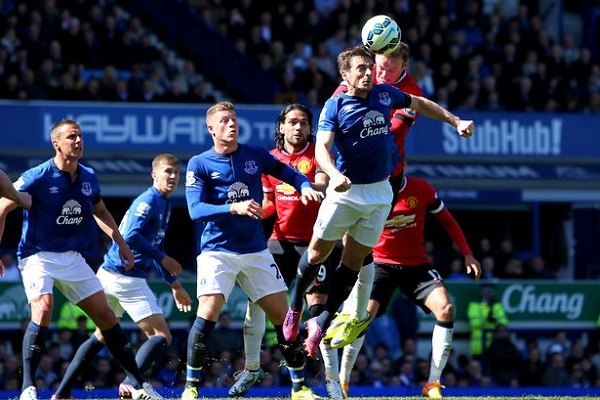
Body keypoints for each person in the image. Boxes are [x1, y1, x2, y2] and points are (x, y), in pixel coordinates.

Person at [283, 46, 475, 358]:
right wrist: (333, 174)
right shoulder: (334, 105)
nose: (367, 73)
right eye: (359, 68)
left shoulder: (385, 94)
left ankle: (322, 320)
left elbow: (420, 103)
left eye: (369, 68)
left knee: (353, 263)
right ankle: (295, 307)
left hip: (379, 194)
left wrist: (454, 121)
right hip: (346, 192)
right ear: (345, 75)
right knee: (317, 253)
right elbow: (322, 149)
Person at [0, 119, 163, 400]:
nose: (78, 141)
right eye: (72, 137)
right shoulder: (38, 176)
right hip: (37, 254)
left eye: (80, 137)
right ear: (56, 144)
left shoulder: (89, 177)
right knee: (44, 307)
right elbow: (3, 205)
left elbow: (100, 210)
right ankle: (29, 388)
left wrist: (120, 242)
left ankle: (137, 384)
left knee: (106, 317)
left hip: (72, 257)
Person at [182, 101, 324, 400]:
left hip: (256, 250)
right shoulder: (200, 163)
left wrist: (305, 185)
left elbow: (290, 174)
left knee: (283, 318)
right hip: (217, 250)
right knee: (208, 311)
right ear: (211, 128)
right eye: (224, 121)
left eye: (233, 120)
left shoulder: (255, 155)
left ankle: (299, 388)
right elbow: (195, 210)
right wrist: (233, 207)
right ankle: (191, 387)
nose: (231, 125)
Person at [318, 42, 425, 398]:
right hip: (349, 179)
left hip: (384, 180)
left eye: (392, 62)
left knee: (362, 252)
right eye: (380, 61)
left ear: (403, 65)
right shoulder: (353, 88)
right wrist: (328, 171)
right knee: (339, 255)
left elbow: (387, 132)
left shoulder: (403, 93)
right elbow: (335, 118)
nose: (383, 68)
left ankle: (352, 317)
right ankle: (341, 317)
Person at [52, 153, 193, 399]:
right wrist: (163, 260)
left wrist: (173, 283)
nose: (172, 177)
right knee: (161, 336)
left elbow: (154, 246)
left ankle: (61, 393)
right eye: (167, 171)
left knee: (101, 336)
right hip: (127, 278)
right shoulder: (149, 200)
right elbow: (130, 236)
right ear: (154, 174)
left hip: (109, 274)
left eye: (176, 172)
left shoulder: (164, 202)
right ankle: (134, 383)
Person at [331, 176, 482, 399]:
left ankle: (432, 384)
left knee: (446, 308)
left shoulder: (421, 189)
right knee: (362, 317)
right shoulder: (369, 189)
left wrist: (468, 254)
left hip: (416, 265)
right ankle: (343, 380)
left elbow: (448, 221)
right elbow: (349, 223)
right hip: (380, 264)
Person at [228, 103, 330, 397]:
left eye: (303, 123)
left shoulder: (318, 154)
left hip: (315, 244)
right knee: (258, 304)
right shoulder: (271, 160)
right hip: (280, 243)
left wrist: (316, 185)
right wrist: (250, 213)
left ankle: (332, 382)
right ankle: (252, 369)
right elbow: (270, 203)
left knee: (317, 314)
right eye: (292, 122)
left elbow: (323, 183)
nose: (298, 128)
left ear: (310, 128)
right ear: (282, 127)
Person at [467, 284, 509, 359]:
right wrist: (487, 319)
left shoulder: (497, 306)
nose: (487, 294)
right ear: (480, 293)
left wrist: (495, 321)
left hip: (495, 345)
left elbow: (504, 322)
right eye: (484, 291)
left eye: (489, 291)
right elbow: (474, 323)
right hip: (478, 346)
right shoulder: (474, 305)